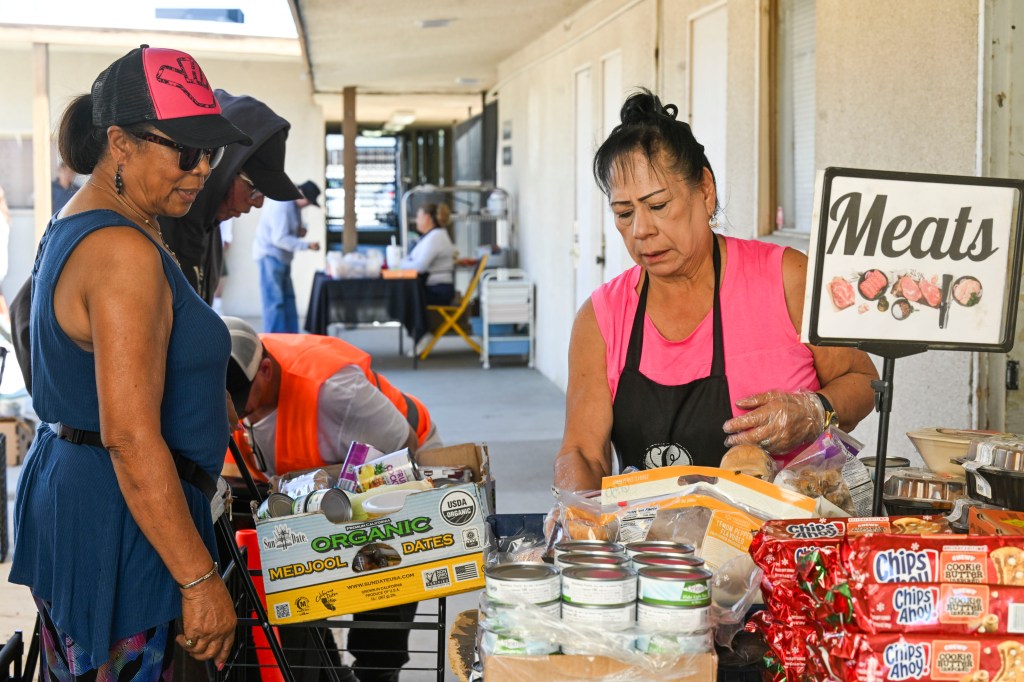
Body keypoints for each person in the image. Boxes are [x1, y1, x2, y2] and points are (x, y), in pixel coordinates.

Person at [8, 46, 252, 679]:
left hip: (89, 494)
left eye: (210, 152)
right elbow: (130, 437)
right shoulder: (121, 251)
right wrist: (198, 579)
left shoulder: (98, 219)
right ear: (120, 143)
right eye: (185, 151)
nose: (202, 170)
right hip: (118, 515)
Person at [553, 89, 878, 492]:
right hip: (652, 532)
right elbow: (582, 452)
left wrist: (815, 410)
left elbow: (863, 381)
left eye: (658, 206)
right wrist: (573, 508)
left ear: (705, 190)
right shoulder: (601, 317)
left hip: (787, 527)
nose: (641, 230)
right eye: (624, 213)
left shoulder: (787, 278)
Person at [223, 317, 442, 682]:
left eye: (242, 403)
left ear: (266, 371)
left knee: (381, 557)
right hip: (302, 486)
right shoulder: (227, 370)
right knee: (284, 565)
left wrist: (315, 480)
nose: (236, 415)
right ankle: (327, 670)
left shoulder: (332, 389)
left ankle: (378, 671)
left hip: (394, 464)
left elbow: (401, 451)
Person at [160, 90, 303, 303]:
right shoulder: (155, 233)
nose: (257, 203)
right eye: (254, 188)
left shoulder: (209, 232)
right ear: (222, 169)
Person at [253, 180, 322, 332]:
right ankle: (275, 340)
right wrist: (306, 245)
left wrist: (298, 232)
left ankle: (290, 337)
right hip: (270, 256)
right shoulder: (282, 205)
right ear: (301, 194)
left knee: (288, 299)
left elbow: (286, 232)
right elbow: (280, 239)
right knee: (275, 302)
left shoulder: (294, 205)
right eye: (308, 201)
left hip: (282, 258)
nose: (307, 205)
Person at [400, 202, 456, 305]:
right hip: (433, 288)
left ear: (427, 218)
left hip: (438, 291)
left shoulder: (436, 236)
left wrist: (397, 265)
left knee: (400, 297)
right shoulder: (432, 235)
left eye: (418, 217)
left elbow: (420, 267)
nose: (416, 221)